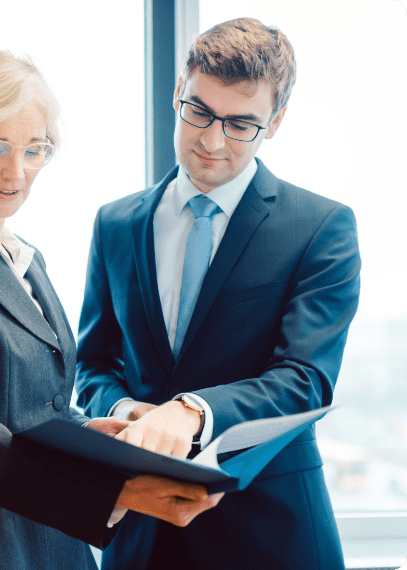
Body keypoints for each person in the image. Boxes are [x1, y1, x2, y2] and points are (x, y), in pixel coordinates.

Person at [0, 49, 222, 570]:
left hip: (49, 545)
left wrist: (91, 437)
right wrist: (111, 492)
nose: (17, 172)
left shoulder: (24, 257)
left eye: (35, 150)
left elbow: (38, 410)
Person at [76, 17, 360, 570]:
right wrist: (133, 414)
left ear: (275, 122)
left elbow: (306, 380)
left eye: (240, 124)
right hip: (141, 534)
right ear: (179, 91)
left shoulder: (321, 226)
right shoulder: (114, 223)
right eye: (199, 111)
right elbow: (93, 363)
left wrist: (190, 412)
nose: (210, 142)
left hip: (273, 535)